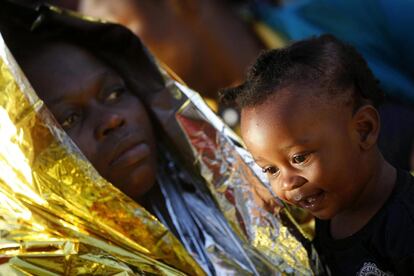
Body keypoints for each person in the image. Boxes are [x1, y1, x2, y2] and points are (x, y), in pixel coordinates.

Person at [0, 1, 318, 275]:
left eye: (114, 92)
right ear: (24, 166)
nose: (112, 119)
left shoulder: (266, 192)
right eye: (69, 119)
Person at [220, 34, 414, 275]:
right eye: (271, 170)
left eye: (299, 158)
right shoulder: (325, 219)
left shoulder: (405, 225)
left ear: (364, 130)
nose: (287, 183)